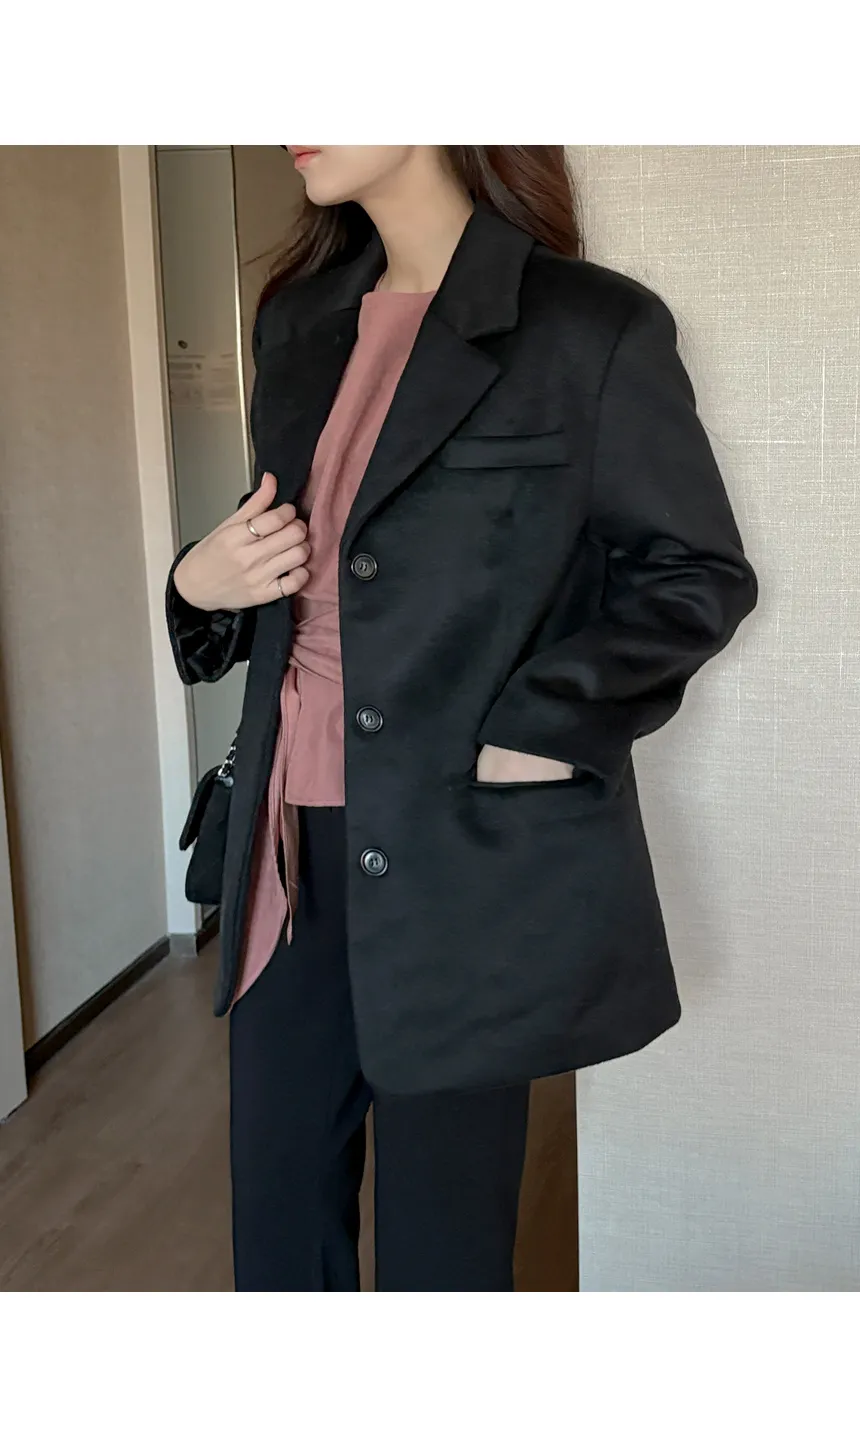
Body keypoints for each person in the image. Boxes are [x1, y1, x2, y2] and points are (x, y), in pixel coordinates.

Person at [165, 145, 758, 1291]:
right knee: (276, 1216)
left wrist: (543, 722)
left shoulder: (588, 325)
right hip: (283, 845)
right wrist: (197, 583)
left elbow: (693, 573)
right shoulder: (296, 321)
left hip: (459, 850)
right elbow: (298, 558)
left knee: (445, 1242)